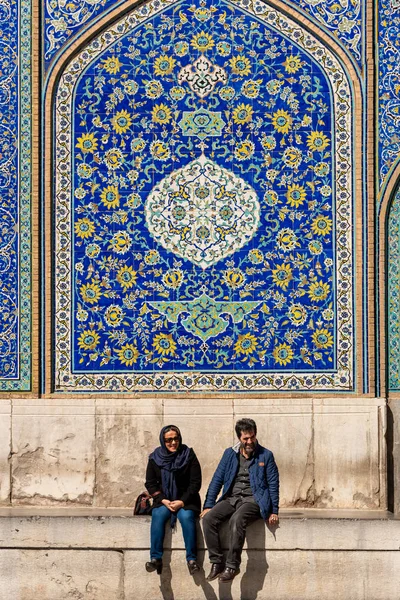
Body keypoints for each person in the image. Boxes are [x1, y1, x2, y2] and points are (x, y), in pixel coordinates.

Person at [200, 418, 279, 582]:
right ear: (239, 438)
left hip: (254, 499)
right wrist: (208, 505)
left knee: (237, 519)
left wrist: (274, 510)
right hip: (232, 497)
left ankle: (232, 565)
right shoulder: (230, 454)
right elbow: (217, 479)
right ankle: (216, 562)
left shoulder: (266, 455)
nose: (249, 441)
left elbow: (273, 483)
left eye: (252, 437)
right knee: (208, 519)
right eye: (245, 439)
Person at [145, 425, 202, 576]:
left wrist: (182, 502)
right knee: (158, 515)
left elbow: (195, 483)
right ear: (163, 441)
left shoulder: (188, 455)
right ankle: (156, 558)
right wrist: (162, 499)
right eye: (169, 440)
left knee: (186, 516)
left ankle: (192, 560)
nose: (173, 443)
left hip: (186, 500)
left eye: (176, 439)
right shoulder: (155, 458)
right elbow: (150, 483)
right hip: (164, 500)